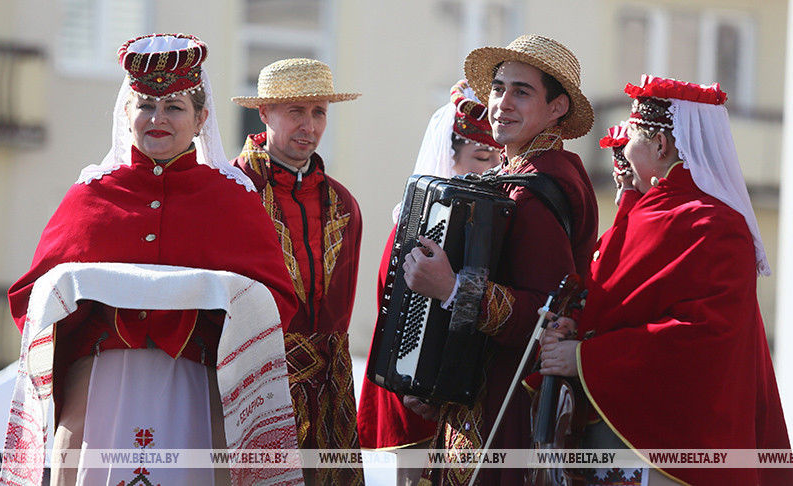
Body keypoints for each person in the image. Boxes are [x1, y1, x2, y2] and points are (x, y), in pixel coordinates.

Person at [1, 34, 302, 486]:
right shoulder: (91, 195)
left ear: (201, 118)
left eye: (174, 107)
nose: (157, 119)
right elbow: (32, 298)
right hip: (99, 382)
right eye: (145, 105)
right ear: (127, 113)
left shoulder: (233, 200)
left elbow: (275, 303)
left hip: (199, 384)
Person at [538, 75, 793, 486]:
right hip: (620, 423)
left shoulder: (713, 223)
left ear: (660, 145)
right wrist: (577, 325)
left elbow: (702, 336)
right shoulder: (657, 211)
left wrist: (584, 357)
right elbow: (622, 303)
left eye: (631, 143)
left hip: (668, 449)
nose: (622, 153)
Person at [402, 35, 599, 485]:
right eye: (498, 88)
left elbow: (546, 316)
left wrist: (452, 289)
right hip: (484, 397)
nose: (502, 104)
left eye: (521, 92)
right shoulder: (518, 173)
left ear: (558, 108)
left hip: (510, 411)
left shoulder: (542, 186)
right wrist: (438, 380)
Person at [356, 79, 500, 485]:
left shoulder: (498, 221)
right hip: (417, 384)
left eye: (496, 157)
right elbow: (394, 309)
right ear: (449, 157)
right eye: (481, 155)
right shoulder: (415, 224)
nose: (490, 168)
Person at [230, 58, 363, 485]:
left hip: (328, 392)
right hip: (253, 384)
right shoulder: (232, 191)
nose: (309, 125)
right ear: (264, 112)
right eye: (296, 111)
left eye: (318, 111)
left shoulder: (344, 204)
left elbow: (339, 318)